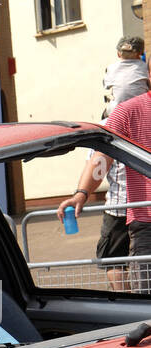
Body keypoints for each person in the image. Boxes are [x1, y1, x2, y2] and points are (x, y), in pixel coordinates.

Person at [59, 58, 151, 293]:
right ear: (149, 74)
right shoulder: (127, 112)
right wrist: (81, 193)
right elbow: (103, 157)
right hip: (146, 221)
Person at [105, 36, 148, 116]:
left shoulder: (111, 68)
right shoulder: (145, 67)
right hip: (141, 111)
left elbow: (107, 86)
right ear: (140, 54)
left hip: (117, 113)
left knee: (105, 114)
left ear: (118, 54)